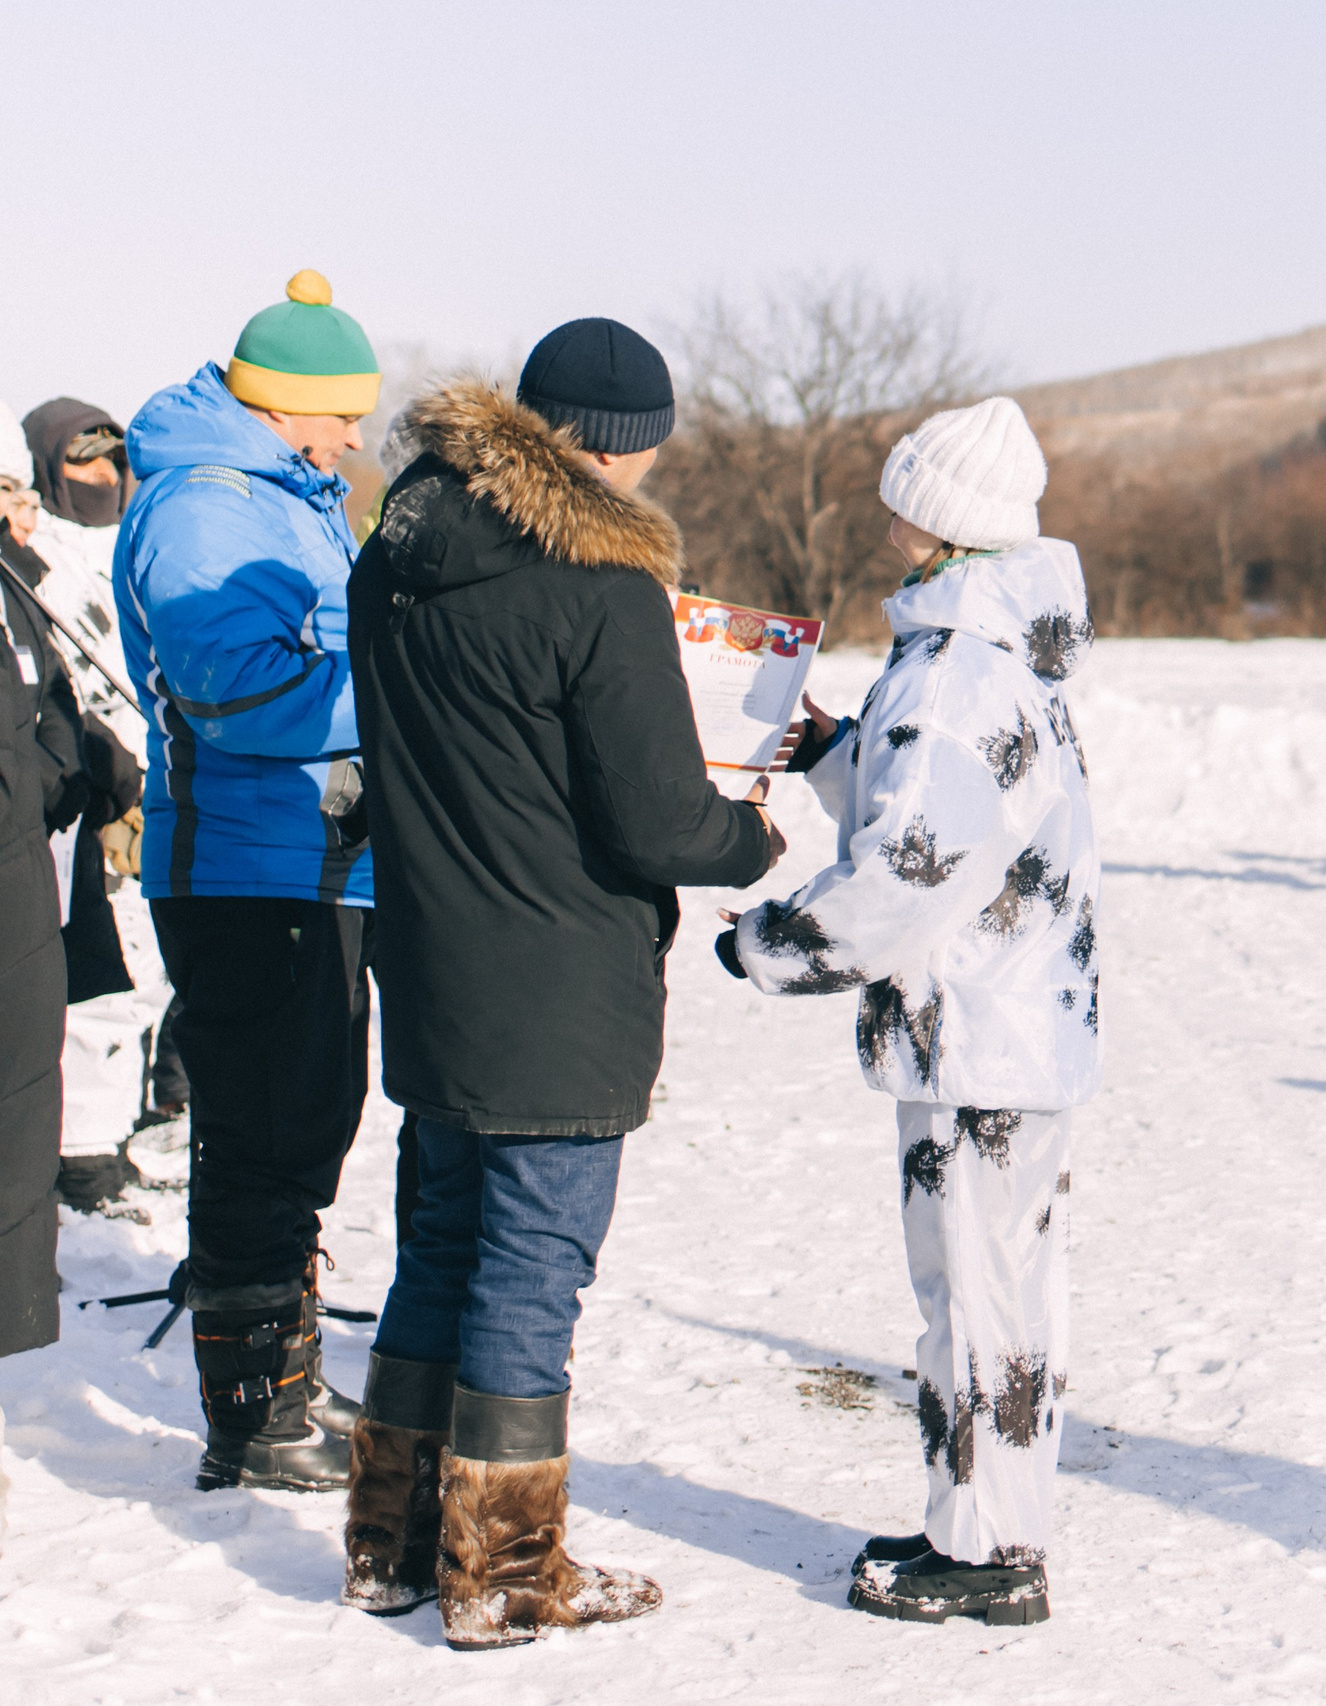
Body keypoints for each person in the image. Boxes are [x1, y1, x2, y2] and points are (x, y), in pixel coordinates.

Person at [342, 319, 780, 1647]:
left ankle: (392, 1545)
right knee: (530, 1276)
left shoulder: (397, 551)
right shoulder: (599, 586)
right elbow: (655, 821)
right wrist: (748, 831)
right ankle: (508, 1575)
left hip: (429, 968)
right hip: (556, 986)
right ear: (626, 446)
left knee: (439, 1258)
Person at [722, 394, 1096, 1628]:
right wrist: (836, 746)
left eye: (906, 488)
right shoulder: (991, 647)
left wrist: (773, 942)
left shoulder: (957, 666)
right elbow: (931, 807)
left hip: (971, 1033)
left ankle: (987, 1547)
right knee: (997, 1290)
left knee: (974, 1300)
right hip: (1009, 1024)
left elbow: (912, 866)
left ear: (936, 519)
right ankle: (993, 1521)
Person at [114, 271, 381, 1491]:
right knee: (265, 1131)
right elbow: (235, 693)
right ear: (287, 407)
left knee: (305, 1117)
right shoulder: (210, 509)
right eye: (345, 413)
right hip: (241, 861)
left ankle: (285, 1372)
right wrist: (400, 698)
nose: (358, 436)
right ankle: (253, 1410)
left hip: (303, 855)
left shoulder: (284, 498)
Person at [10, 399, 156, 1208]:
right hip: (86, 790)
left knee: (148, 973)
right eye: (81, 465)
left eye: (113, 463)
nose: (103, 479)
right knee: (99, 980)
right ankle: (83, 1153)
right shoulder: (38, 557)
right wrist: (104, 778)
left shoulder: (135, 543)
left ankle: (119, 1125)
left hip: (151, 777)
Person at [1, 499, 86, 1544]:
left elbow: (57, 714)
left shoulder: (14, 587)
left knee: (16, 1132)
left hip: (19, 886)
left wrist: (51, 781)